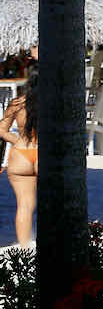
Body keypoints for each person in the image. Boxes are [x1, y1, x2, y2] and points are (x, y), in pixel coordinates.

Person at [1, 71, 37, 246]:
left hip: (21, 153)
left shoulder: (17, 103)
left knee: (24, 205)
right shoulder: (53, 103)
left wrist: (18, 140)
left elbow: (2, 130)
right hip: (43, 152)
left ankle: (24, 248)